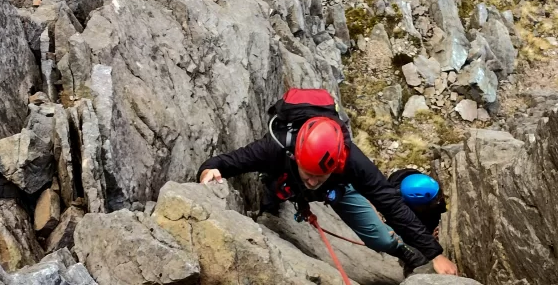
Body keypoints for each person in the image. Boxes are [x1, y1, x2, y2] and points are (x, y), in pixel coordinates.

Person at [196, 88, 458, 275]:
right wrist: (209, 169)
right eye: (307, 172)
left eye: (318, 175)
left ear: (335, 164)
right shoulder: (275, 148)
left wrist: (434, 254)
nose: (311, 181)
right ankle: (275, 202)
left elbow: (389, 202)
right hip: (287, 179)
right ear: (295, 154)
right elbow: (232, 160)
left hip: (338, 188)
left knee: (378, 238)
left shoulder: (352, 162)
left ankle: (403, 253)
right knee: (276, 191)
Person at [388, 169, 447, 240]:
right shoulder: (400, 217)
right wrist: (430, 238)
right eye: (432, 202)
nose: (437, 203)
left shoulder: (420, 182)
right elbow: (412, 238)